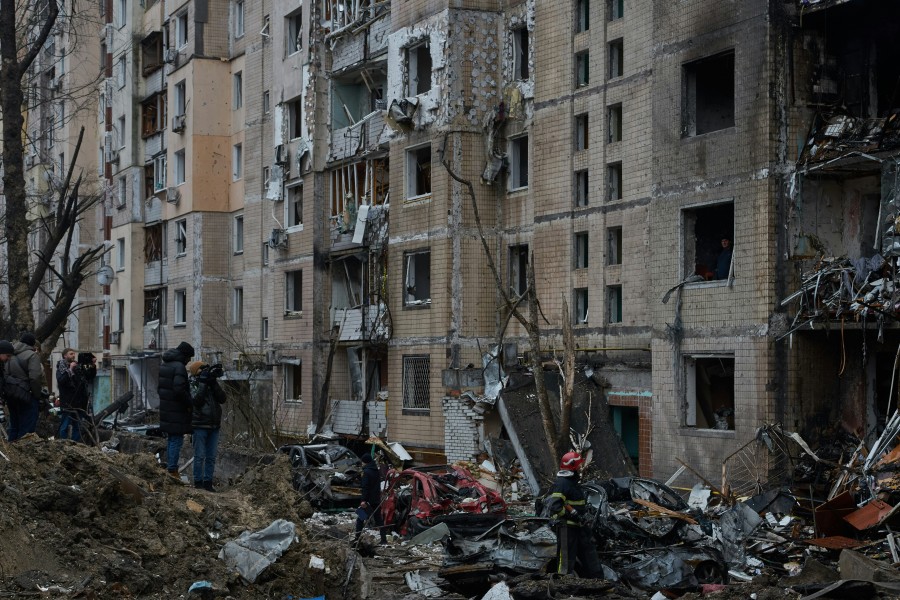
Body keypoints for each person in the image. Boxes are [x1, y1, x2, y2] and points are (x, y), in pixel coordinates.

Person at [542, 451, 602, 577]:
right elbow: (555, 506)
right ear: (573, 466)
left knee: (591, 558)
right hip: (567, 528)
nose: (581, 467)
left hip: (580, 527)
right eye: (579, 465)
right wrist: (572, 515)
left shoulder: (573, 482)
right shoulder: (562, 483)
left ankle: (597, 581)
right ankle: (562, 584)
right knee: (566, 562)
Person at [158, 341, 194, 481]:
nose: (189, 361)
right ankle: (172, 470)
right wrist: (189, 402)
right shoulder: (179, 367)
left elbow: (160, 388)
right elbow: (179, 390)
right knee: (176, 439)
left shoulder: (165, 364)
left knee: (172, 439)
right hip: (176, 410)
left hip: (167, 408)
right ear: (185, 355)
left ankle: (171, 468)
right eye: (189, 357)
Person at [188, 361, 226, 491]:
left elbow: (222, 399)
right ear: (196, 372)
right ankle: (198, 483)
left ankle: (208, 482)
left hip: (214, 425)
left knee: (211, 457)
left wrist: (213, 383)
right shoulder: (192, 384)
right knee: (199, 456)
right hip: (199, 425)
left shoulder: (210, 383)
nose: (205, 372)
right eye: (202, 370)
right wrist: (203, 383)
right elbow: (197, 401)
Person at [5, 333, 45, 441]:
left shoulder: (10, 354)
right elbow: (35, 378)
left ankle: (11, 450)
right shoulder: (32, 355)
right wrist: (37, 395)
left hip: (11, 394)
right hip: (27, 395)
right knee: (27, 429)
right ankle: (24, 450)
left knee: (14, 426)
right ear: (32, 344)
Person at [56, 349, 97, 441]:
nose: (73, 355)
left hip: (80, 402)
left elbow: (89, 377)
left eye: (74, 354)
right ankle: (63, 443)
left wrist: (93, 365)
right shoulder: (61, 368)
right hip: (68, 402)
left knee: (78, 426)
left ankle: (75, 443)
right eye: (71, 354)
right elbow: (62, 381)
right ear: (65, 356)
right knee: (65, 425)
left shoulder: (78, 367)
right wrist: (70, 370)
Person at [354, 452, 388, 545]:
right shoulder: (376, 471)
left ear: (365, 462)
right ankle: (384, 540)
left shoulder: (366, 472)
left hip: (368, 501)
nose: (362, 463)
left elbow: (365, 487)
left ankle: (356, 539)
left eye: (362, 462)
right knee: (379, 520)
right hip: (376, 500)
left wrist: (363, 500)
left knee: (360, 519)